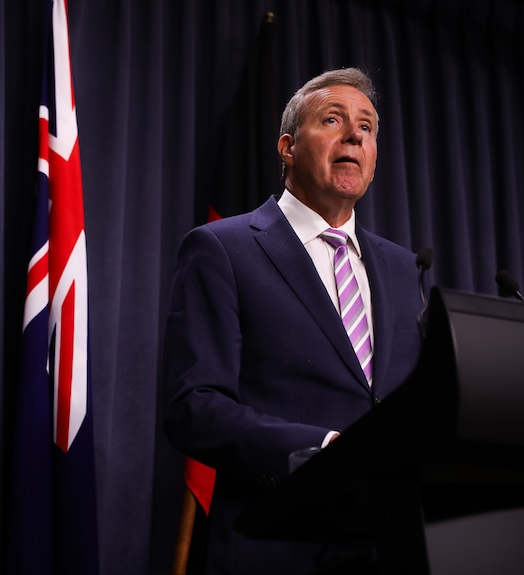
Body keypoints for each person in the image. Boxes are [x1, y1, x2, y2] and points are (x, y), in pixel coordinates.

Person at [162, 67, 425, 574]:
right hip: (276, 547)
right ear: (287, 147)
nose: (355, 134)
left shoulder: (403, 268)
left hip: (390, 550)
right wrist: (322, 450)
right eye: (333, 119)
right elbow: (193, 407)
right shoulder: (223, 248)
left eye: (367, 127)